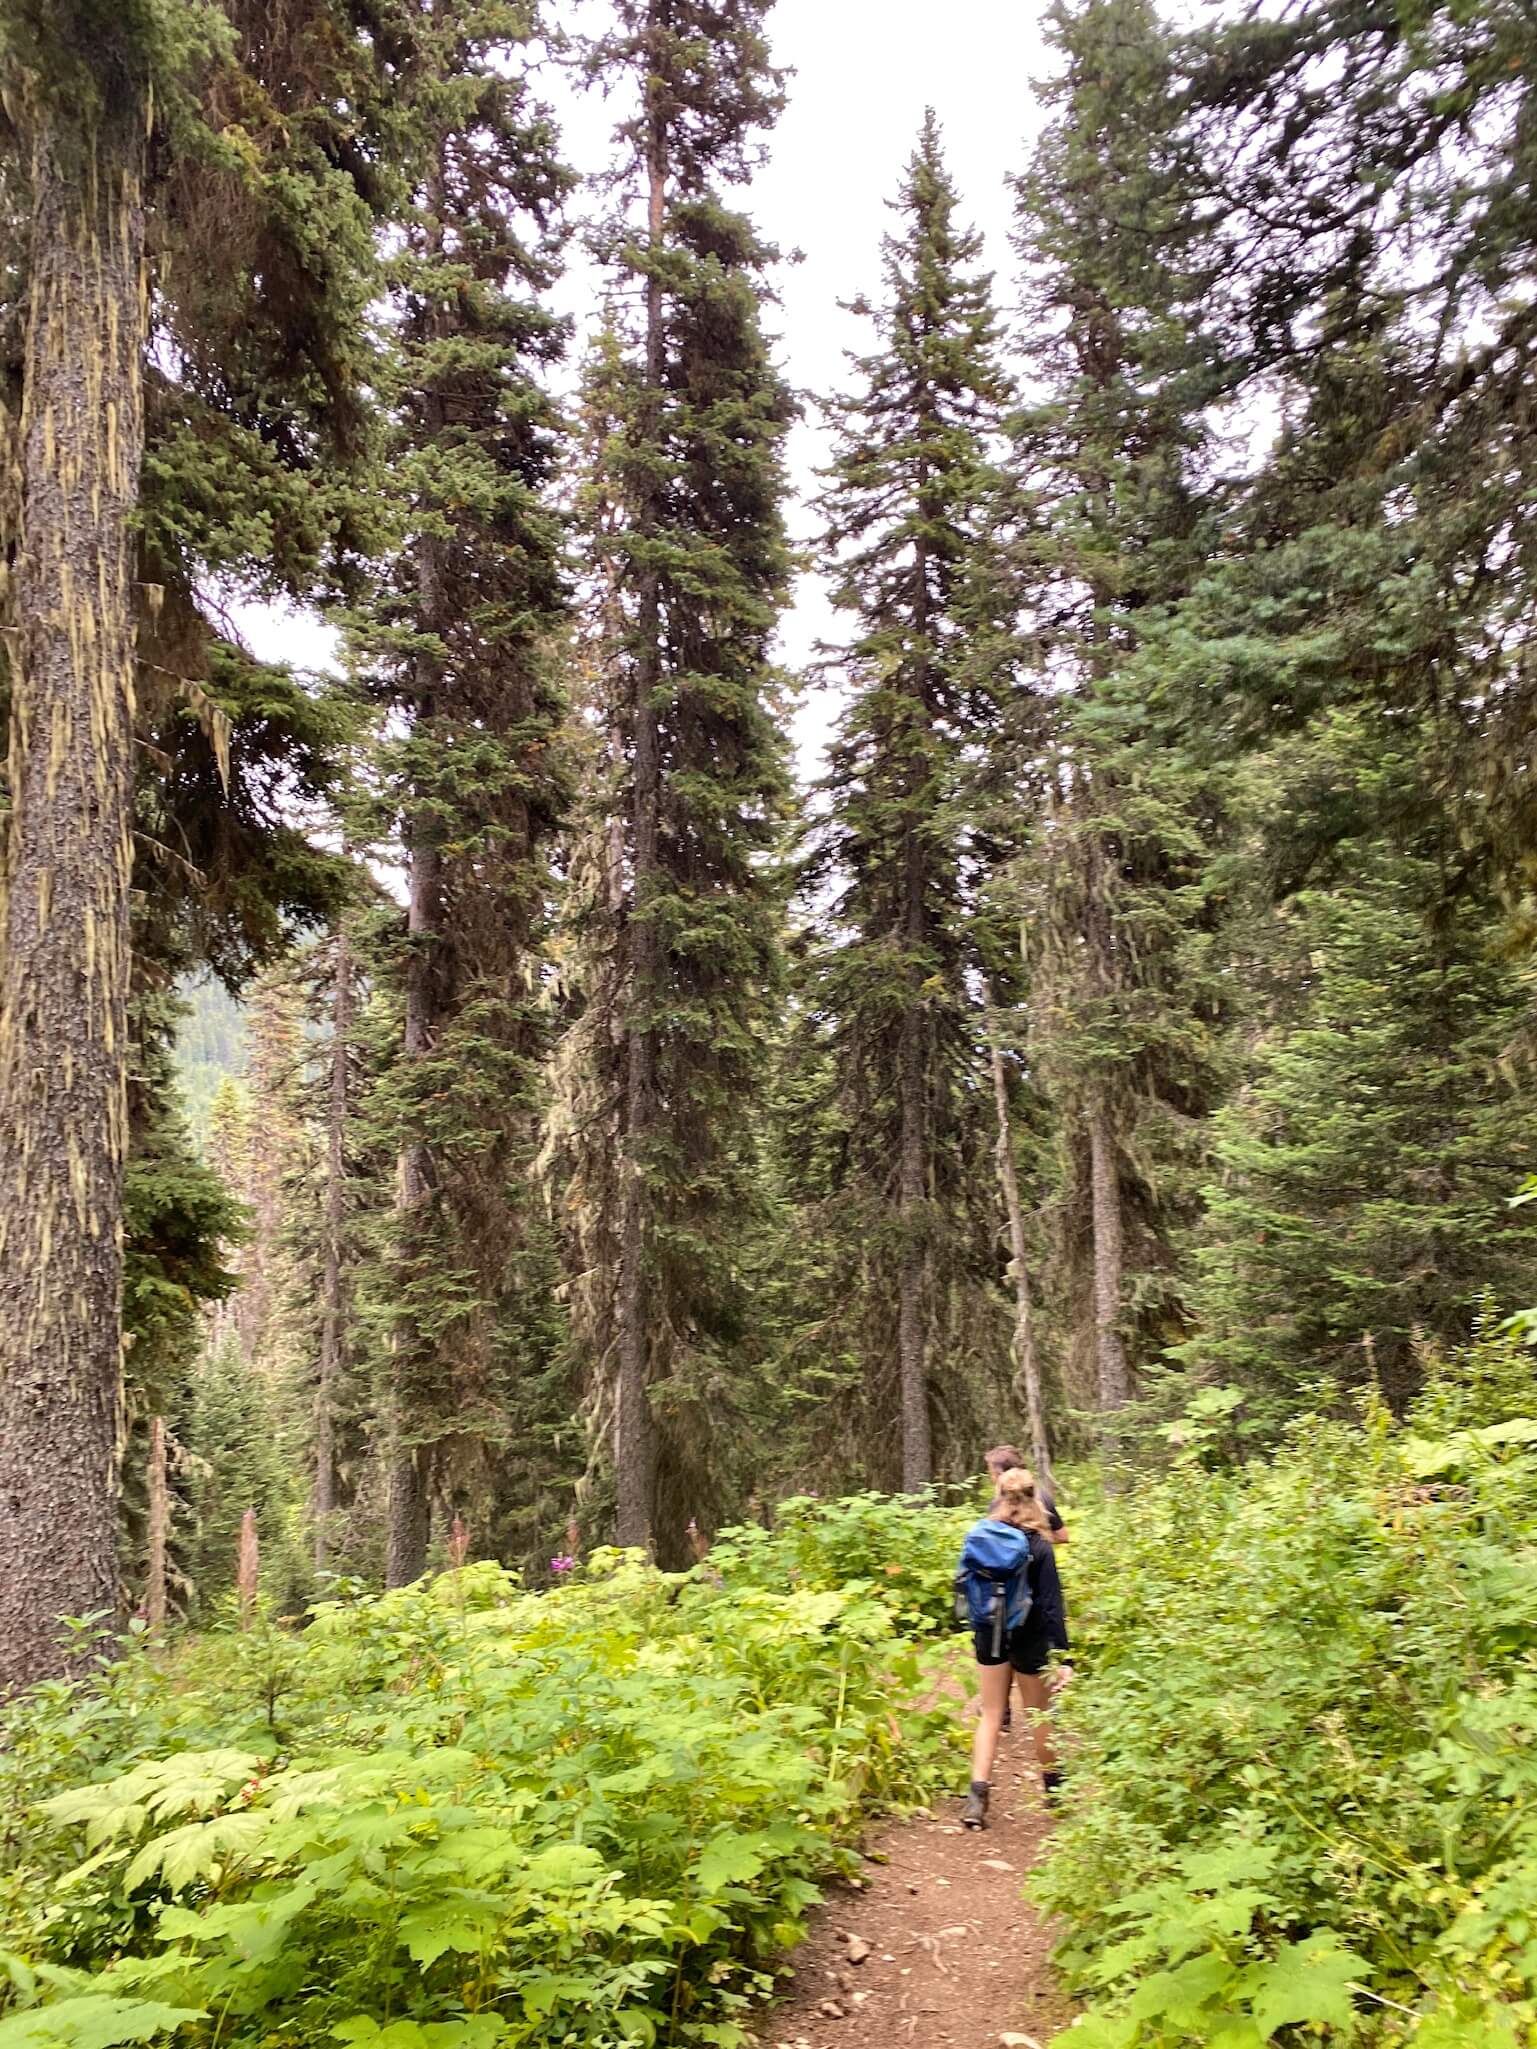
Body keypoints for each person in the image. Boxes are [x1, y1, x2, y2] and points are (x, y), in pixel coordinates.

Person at [958, 1465, 1071, 1829]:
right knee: (1038, 1715)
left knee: (991, 1713)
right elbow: (1052, 1606)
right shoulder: (1039, 1546)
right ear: (1035, 1497)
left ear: (1000, 1497)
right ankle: (1057, 1796)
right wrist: (1063, 1657)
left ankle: (976, 1801)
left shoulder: (981, 1537)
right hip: (1030, 1637)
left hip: (988, 1632)